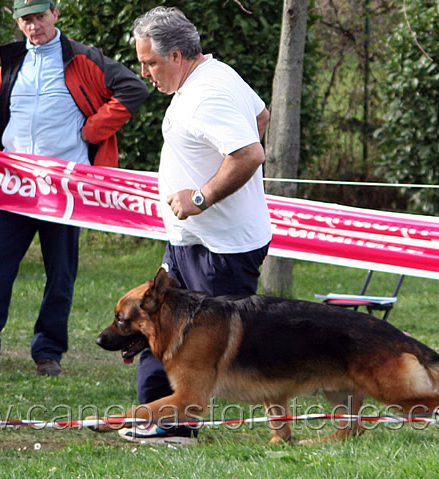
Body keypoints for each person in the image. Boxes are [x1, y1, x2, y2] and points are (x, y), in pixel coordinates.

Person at [0, 0, 149, 376]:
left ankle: (49, 353)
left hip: (63, 189)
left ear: (55, 14)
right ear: (18, 22)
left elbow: (133, 89)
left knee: (60, 275)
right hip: (11, 188)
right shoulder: (10, 61)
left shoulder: (83, 57)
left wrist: (93, 130)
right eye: (26, 19)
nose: (33, 26)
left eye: (40, 16)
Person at [126, 6, 272, 442]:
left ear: (176, 55)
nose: (146, 73)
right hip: (190, 240)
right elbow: (260, 118)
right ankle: (155, 416)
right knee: (158, 318)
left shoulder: (209, 93)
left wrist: (201, 196)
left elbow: (249, 152)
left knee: (211, 343)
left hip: (218, 248)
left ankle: (178, 425)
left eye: (150, 63)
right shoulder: (214, 75)